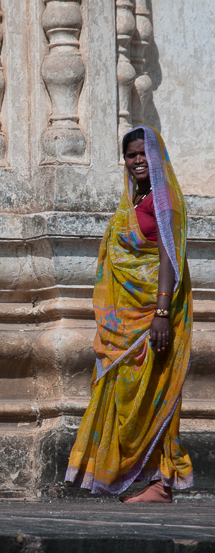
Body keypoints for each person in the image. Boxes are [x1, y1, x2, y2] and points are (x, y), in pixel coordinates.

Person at [65, 126, 193, 503]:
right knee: (126, 392)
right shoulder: (136, 202)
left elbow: (171, 254)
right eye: (130, 155)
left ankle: (164, 482)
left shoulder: (165, 199)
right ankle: (149, 477)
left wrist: (162, 312)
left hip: (153, 315)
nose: (136, 160)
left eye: (142, 153)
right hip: (125, 321)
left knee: (157, 392)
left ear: (156, 156)